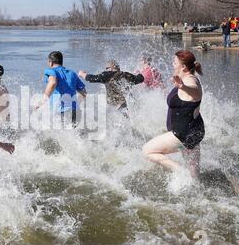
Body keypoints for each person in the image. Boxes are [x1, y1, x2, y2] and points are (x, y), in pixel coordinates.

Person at [143, 50, 205, 179]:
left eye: (174, 62)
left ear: (183, 67)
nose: (172, 64)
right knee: (195, 177)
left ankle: (181, 172)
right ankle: (194, 188)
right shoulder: (186, 78)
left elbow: (195, 92)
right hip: (194, 131)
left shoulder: (190, 82)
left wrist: (183, 87)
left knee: (147, 151)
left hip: (183, 134)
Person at [36, 51, 87, 127]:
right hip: (75, 112)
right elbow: (84, 93)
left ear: (51, 63)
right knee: (71, 135)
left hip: (61, 111)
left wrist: (42, 100)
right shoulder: (72, 73)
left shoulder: (51, 71)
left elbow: (53, 82)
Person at [78, 59, 144, 117]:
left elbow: (91, 78)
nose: (106, 70)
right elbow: (140, 79)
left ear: (112, 67)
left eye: (107, 68)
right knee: (126, 123)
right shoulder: (126, 75)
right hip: (124, 105)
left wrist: (82, 73)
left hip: (114, 107)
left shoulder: (107, 75)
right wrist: (140, 73)